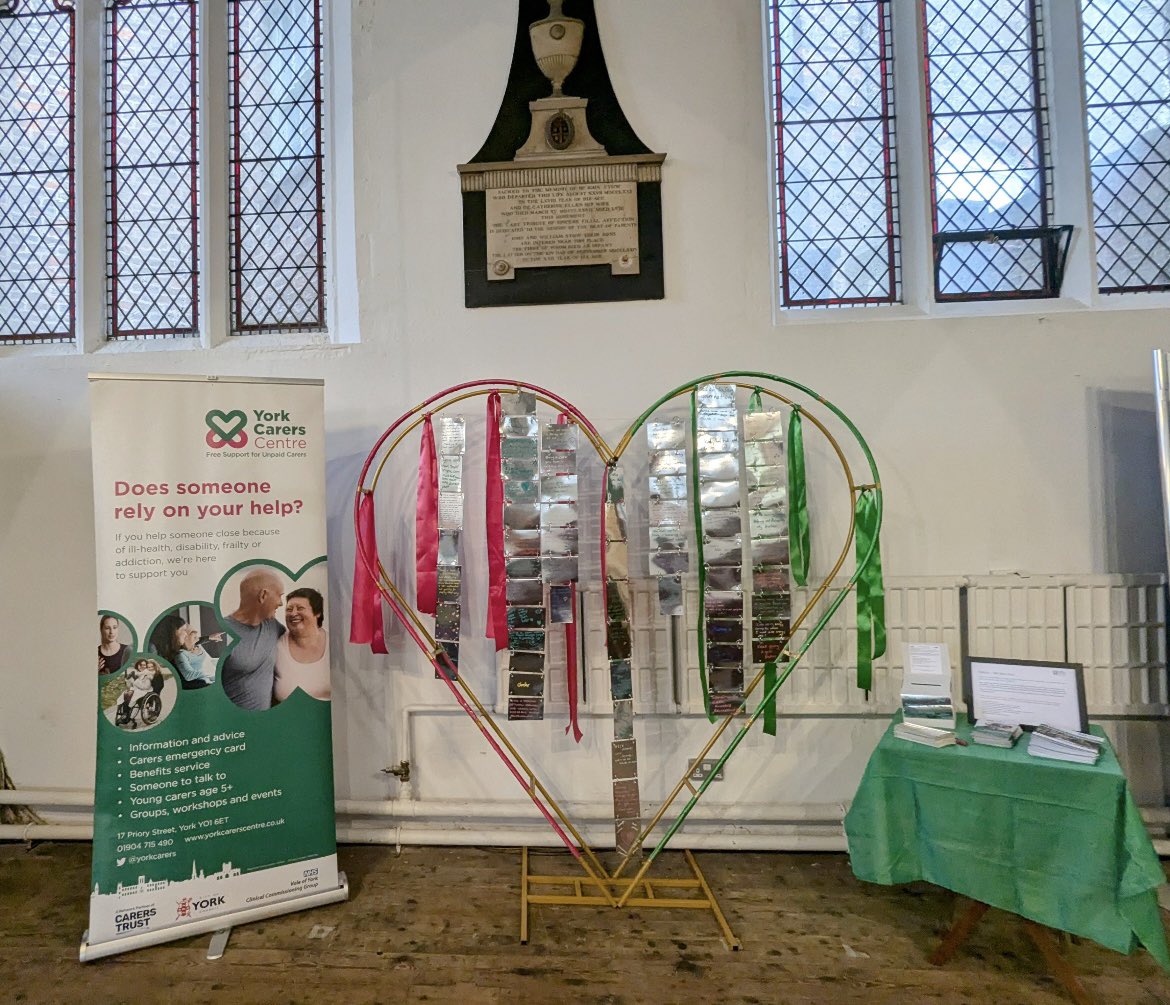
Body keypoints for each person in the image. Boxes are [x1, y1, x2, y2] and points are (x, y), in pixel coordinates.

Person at [220, 568, 286, 710]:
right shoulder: (222, 632)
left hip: (265, 723)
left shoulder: (275, 627)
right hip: (234, 726)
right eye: (279, 596)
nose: (281, 603)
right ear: (263, 595)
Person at [273, 588, 330, 702]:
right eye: (289, 609)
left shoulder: (334, 644)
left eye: (300, 608)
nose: (293, 613)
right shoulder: (277, 647)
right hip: (289, 717)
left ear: (317, 612)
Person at [157, 615, 224, 690]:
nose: (197, 639)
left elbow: (197, 640)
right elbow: (189, 676)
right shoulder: (180, 654)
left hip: (205, 678)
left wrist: (210, 637)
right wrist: (210, 673)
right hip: (199, 683)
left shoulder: (192, 646)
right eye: (183, 631)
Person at [118, 658, 162, 722]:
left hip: (149, 692)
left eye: (152, 666)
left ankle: (127, 715)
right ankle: (125, 714)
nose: (150, 668)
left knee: (133, 697)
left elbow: (148, 686)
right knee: (126, 695)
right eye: (148, 667)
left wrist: (155, 693)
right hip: (138, 690)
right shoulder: (139, 673)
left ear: (155, 666)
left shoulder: (151, 675)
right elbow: (131, 685)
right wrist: (129, 681)